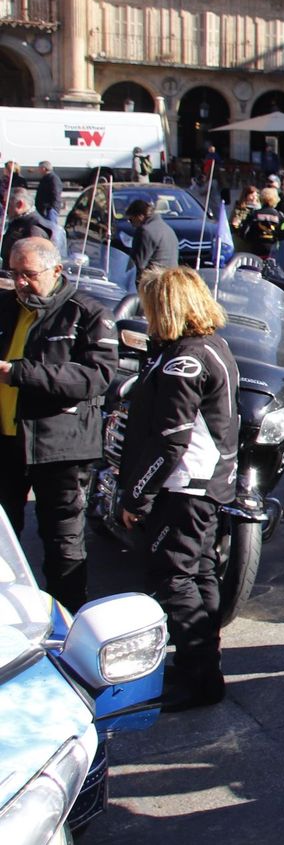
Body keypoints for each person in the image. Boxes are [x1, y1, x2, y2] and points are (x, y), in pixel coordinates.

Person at [117, 267, 239, 712]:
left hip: (185, 486)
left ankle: (197, 677)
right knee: (200, 575)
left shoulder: (184, 360)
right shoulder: (213, 346)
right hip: (206, 484)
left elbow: (171, 439)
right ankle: (203, 672)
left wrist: (136, 496)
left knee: (175, 579)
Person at [0, 238, 114, 611]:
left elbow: (96, 377)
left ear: (56, 271)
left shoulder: (87, 313)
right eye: (14, 273)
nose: (20, 283)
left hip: (60, 448)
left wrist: (20, 373)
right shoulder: (6, 307)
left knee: (63, 545)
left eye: (29, 275)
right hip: (7, 443)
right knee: (3, 541)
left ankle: (67, 621)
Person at [127, 198, 178, 281]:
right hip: (171, 279)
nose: (131, 225)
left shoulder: (144, 231)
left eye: (131, 220)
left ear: (140, 216)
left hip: (153, 280)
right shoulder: (167, 228)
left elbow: (137, 264)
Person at [2, 188, 54, 266]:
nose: (4, 209)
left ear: (19, 204)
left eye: (7, 205)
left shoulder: (34, 228)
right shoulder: (18, 221)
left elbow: (32, 263)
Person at [240, 188, 284, 257]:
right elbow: (282, 234)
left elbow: (244, 232)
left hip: (255, 250)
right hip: (272, 251)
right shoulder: (280, 216)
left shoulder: (254, 214)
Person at [34, 161, 61, 225]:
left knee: (50, 227)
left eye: (39, 168)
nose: (38, 170)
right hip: (43, 209)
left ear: (44, 168)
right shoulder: (45, 178)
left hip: (49, 209)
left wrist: (53, 208)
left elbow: (55, 194)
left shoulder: (53, 179)